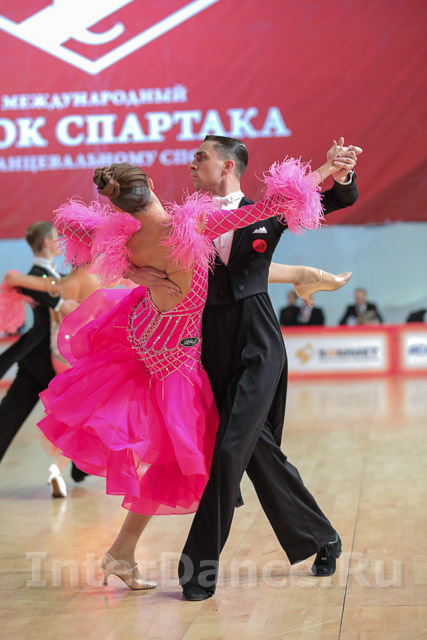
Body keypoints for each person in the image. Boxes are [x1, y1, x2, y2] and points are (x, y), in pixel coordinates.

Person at [36, 151, 343, 591]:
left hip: (142, 340)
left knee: (223, 449)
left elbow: (70, 226)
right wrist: (325, 170)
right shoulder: (190, 226)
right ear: (151, 187)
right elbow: (268, 208)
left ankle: (128, 553)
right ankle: (146, 558)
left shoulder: (128, 238)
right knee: (203, 455)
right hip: (178, 360)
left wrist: (134, 269)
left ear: (119, 204)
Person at [127, 135, 361, 599]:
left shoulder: (267, 211)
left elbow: (335, 199)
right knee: (257, 450)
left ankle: (198, 571)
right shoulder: (184, 220)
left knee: (231, 448)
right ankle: (321, 536)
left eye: (202, 157)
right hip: (208, 341)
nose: (192, 164)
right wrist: (137, 272)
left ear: (228, 166)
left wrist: (341, 174)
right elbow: (134, 251)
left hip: (258, 337)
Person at [3, 267, 100, 496]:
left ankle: (68, 468)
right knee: (87, 421)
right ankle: (59, 467)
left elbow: (14, 278)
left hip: (58, 359)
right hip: (82, 362)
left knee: (76, 419)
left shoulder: (59, 283)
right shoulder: (97, 282)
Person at [0, 222, 77, 462]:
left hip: (41, 359)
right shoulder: (33, 277)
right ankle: (81, 467)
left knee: (9, 416)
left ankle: (80, 467)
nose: (60, 241)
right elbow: (27, 285)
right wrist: (58, 303)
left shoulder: (57, 276)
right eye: (57, 237)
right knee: (81, 409)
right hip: (42, 358)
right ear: (47, 242)